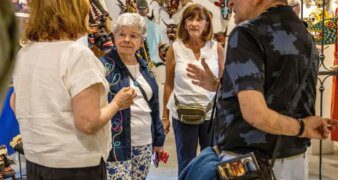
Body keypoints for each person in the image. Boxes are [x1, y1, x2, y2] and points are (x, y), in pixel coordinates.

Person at [184, 0, 338, 179]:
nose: (230, 3)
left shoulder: (247, 33)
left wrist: (303, 127)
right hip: (295, 160)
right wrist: (217, 85)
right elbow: (278, 90)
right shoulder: (305, 34)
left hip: (249, 165)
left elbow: (255, 114)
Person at [10, 0, 136, 179]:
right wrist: (117, 104)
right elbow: (88, 122)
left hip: (35, 160)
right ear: (75, 13)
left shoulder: (25, 54)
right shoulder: (77, 55)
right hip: (74, 166)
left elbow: (15, 104)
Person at [99, 13, 165, 180]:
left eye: (133, 35)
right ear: (114, 37)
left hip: (144, 143)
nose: (127, 39)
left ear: (141, 41)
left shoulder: (146, 67)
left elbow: (154, 106)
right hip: (115, 145)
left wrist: (159, 140)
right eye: (121, 34)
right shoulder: (102, 66)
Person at [162, 4, 225, 176]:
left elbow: (223, 83)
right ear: (184, 23)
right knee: (186, 162)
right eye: (190, 19)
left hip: (211, 115)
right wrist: (165, 117)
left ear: (207, 24)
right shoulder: (174, 49)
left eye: (199, 19)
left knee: (211, 162)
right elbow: (168, 84)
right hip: (183, 114)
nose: (194, 24)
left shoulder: (216, 48)